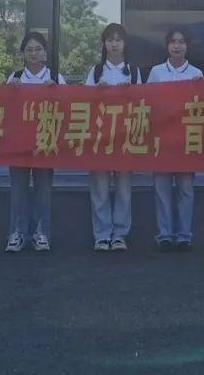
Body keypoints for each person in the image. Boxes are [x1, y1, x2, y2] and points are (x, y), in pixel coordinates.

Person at [5, 30, 65, 253]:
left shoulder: (56, 78)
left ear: (45, 53)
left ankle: (41, 233)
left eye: (38, 49)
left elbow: (68, 108)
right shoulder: (15, 77)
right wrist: (11, 92)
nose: (33, 53)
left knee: (43, 190)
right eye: (29, 50)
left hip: (45, 142)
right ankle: (16, 233)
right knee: (18, 190)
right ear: (23, 54)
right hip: (19, 143)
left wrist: (55, 92)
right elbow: (5, 109)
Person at [146, 28, 204, 252]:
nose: (177, 46)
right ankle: (164, 234)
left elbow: (203, 107)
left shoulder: (197, 74)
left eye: (181, 42)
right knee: (162, 189)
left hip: (186, 139)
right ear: (167, 45)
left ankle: (183, 235)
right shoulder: (156, 72)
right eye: (173, 42)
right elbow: (147, 103)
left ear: (187, 46)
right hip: (162, 139)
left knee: (186, 189)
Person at [85, 23, 142, 252]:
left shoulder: (135, 72)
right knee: (99, 189)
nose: (114, 44)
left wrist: (132, 93)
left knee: (124, 189)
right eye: (110, 40)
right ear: (104, 44)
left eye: (118, 39)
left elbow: (143, 105)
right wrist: (96, 92)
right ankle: (101, 234)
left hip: (125, 138)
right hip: (100, 138)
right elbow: (83, 104)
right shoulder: (95, 71)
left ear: (125, 44)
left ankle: (120, 234)